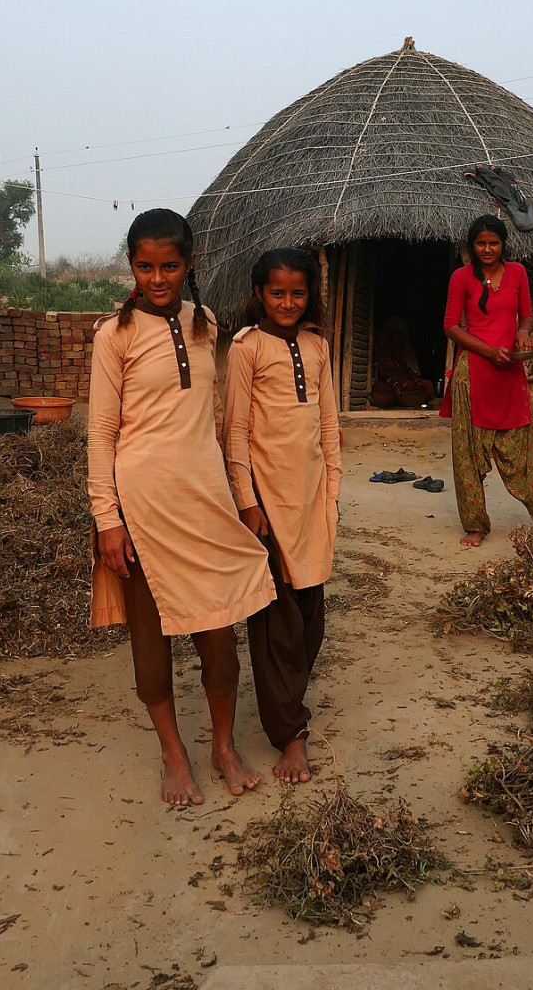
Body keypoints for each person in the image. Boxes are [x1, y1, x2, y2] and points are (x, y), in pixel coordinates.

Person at [88, 208, 275, 806]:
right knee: (152, 642)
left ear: (189, 264)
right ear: (132, 267)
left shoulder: (206, 324)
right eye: (145, 266)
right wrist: (107, 520)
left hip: (204, 503)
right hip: (142, 510)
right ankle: (174, 753)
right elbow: (101, 434)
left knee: (219, 638)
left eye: (169, 265)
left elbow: (218, 423)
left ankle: (222, 746)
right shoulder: (112, 336)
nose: (158, 277)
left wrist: (239, 497)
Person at [223, 248, 342, 784]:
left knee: (311, 616)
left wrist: (331, 493)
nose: (288, 302)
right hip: (268, 505)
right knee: (278, 624)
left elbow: (329, 425)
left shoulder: (317, 346)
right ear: (259, 294)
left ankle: (288, 707)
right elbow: (235, 433)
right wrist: (247, 501)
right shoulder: (247, 349)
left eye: (297, 293)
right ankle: (290, 735)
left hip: (312, 500)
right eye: (277, 293)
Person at [440, 214, 533, 547]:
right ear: (472, 246)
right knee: (467, 453)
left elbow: (526, 314)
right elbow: (451, 326)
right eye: (480, 243)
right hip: (473, 376)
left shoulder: (518, 273)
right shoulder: (461, 278)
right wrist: (488, 351)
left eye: (493, 243)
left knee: (527, 450)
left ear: (503, 244)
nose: (487, 249)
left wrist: (522, 333)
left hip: (510, 374)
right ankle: (476, 525)